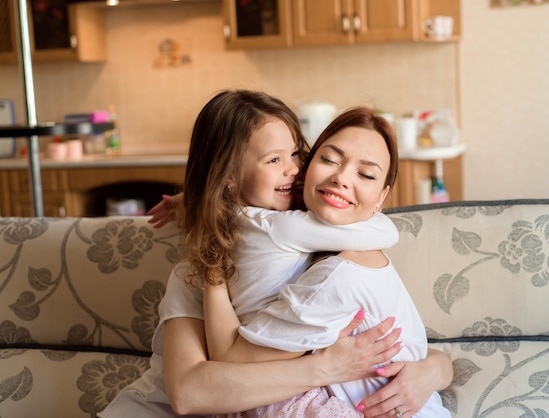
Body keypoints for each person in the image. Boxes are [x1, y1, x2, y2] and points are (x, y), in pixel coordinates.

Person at [122, 90, 452, 417]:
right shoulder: (199, 267)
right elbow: (189, 393)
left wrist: (433, 369)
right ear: (228, 177)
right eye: (274, 159)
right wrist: (324, 367)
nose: (294, 169)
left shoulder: (320, 250)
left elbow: (396, 340)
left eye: (297, 154)